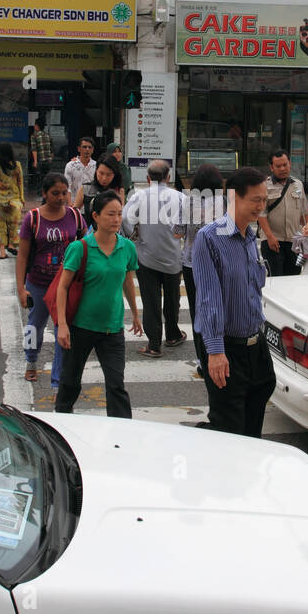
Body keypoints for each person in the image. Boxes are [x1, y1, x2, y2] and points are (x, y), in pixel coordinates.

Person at [189, 167, 275, 437]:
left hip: (255, 347)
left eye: (264, 200)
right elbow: (208, 298)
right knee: (229, 430)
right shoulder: (209, 238)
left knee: (253, 428)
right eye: (255, 200)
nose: (261, 207)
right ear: (234, 197)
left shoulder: (251, 236)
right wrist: (215, 352)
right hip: (226, 349)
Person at [55, 192, 142, 419]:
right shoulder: (80, 248)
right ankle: (62, 422)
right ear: (96, 216)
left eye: (119, 214)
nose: (116, 219)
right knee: (70, 381)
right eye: (110, 214)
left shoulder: (127, 248)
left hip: (112, 329)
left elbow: (127, 280)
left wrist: (135, 313)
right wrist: (62, 325)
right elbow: (62, 287)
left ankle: (122, 432)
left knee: (116, 385)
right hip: (80, 327)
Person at [16, 172, 85, 385]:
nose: (61, 197)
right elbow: (23, 255)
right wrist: (21, 288)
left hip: (65, 285)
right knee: (33, 326)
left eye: (64, 193)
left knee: (62, 331)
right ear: (44, 193)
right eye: (55, 193)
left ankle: (58, 381)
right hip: (37, 283)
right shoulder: (33, 218)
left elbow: (85, 247)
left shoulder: (74, 216)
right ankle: (31, 361)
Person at [122, 159, 187, 357]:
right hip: (173, 257)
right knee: (172, 297)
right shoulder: (180, 197)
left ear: (148, 178)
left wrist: (134, 236)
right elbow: (185, 225)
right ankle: (173, 334)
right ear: (168, 177)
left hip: (146, 256)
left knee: (150, 300)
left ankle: (154, 344)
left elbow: (126, 219)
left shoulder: (139, 196)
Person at [181, 163, 225, 370]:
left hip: (192, 263)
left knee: (197, 310)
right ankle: (219, 352)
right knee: (217, 307)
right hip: (218, 263)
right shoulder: (225, 202)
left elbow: (177, 231)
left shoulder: (188, 202)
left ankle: (202, 359)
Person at [257, 148, 308, 277]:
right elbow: (261, 214)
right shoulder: (264, 185)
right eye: (278, 166)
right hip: (273, 241)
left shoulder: (298, 185)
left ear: (290, 164)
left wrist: (307, 229)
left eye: (285, 165)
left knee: (293, 278)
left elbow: (303, 213)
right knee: (276, 278)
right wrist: (270, 237)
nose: (282, 169)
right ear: (271, 167)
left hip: (294, 241)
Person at [0, 143, 25, 257]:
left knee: (0, 226)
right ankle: (11, 245)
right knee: (14, 224)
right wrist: (22, 198)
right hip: (14, 200)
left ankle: (1, 251)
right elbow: (20, 182)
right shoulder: (17, 165)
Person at [72, 156, 124, 227]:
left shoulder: (119, 191)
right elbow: (74, 213)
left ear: (114, 174)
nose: (104, 178)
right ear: (96, 171)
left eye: (108, 174)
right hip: (90, 233)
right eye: (101, 173)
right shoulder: (85, 188)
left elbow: (121, 214)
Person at [63, 137, 97, 202]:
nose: (87, 149)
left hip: (91, 204)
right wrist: (70, 203)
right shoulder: (71, 165)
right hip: (74, 203)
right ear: (79, 149)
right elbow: (67, 186)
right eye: (84, 147)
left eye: (90, 147)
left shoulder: (96, 166)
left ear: (93, 150)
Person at [30, 118, 54, 186]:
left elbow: (34, 149)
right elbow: (52, 150)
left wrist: (35, 161)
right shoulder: (48, 135)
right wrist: (50, 159)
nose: (34, 126)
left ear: (37, 126)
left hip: (40, 161)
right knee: (47, 180)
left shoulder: (34, 136)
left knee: (39, 181)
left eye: (34, 124)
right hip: (48, 161)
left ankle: (41, 194)